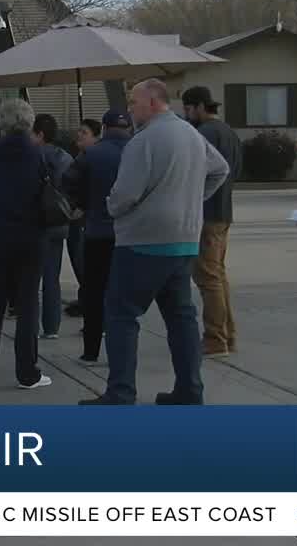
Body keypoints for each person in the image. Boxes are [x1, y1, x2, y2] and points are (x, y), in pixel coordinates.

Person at [80, 79, 228, 406]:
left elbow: (125, 195)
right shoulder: (192, 134)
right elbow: (221, 170)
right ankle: (190, 390)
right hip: (184, 241)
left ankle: (120, 392)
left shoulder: (143, 141)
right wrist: (190, 200)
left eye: (133, 103)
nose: (130, 110)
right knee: (181, 317)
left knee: (121, 314)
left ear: (152, 101)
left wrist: (111, 207)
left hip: (143, 241)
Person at [0, 98, 52, 390]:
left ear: (2, 122)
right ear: (29, 123)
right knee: (28, 305)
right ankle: (27, 372)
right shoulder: (38, 154)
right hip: (31, 236)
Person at [62, 110, 131, 365]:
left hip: (97, 232)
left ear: (104, 128)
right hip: (130, 234)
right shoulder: (139, 151)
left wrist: (83, 202)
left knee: (94, 292)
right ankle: (122, 350)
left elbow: (67, 181)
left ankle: (91, 349)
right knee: (123, 295)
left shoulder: (91, 154)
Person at [182, 86, 244, 357]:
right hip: (224, 212)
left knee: (208, 278)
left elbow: (191, 173)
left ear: (197, 106)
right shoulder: (229, 132)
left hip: (205, 213)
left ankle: (215, 338)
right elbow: (236, 171)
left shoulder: (202, 134)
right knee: (218, 276)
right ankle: (227, 335)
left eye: (187, 109)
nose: (186, 115)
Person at [32, 114, 74, 339]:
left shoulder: (30, 156)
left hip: (34, 222)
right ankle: (51, 327)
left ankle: (29, 321)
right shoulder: (65, 158)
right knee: (52, 277)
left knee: (30, 277)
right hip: (58, 221)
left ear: (39, 134)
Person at [63, 118, 101, 318]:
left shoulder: (94, 159)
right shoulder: (79, 157)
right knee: (78, 258)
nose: (79, 135)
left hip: (84, 218)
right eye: (79, 131)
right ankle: (85, 297)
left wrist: (83, 206)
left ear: (96, 137)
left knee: (83, 260)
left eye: (84, 132)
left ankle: (88, 300)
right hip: (75, 216)